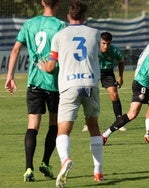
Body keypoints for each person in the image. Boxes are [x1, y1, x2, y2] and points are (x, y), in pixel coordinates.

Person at [41, 0, 103, 186]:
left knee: (63, 130)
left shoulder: (59, 36)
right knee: (93, 126)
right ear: (85, 17)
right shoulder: (95, 33)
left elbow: (51, 66)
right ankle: (98, 172)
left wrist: (44, 66)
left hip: (69, 86)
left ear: (68, 16)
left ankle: (65, 160)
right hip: (90, 84)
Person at [4, 0, 66, 182]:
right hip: (54, 83)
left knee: (32, 126)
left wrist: (10, 76)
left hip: (34, 83)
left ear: (42, 2)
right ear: (58, 3)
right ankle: (45, 162)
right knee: (54, 125)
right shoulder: (61, 26)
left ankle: (28, 168)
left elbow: (15, 50)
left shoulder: (29, 24)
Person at [82, 31, 126, 132]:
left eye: (108, 43)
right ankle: (87, 123)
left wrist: (120, 77)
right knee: (89, 96)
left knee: (114, 95)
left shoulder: (115, 50)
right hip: (93, 72)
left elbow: (121, 61)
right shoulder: (93, 49)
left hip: (107, 73)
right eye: (103, 43)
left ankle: (119, 122)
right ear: (99, 42)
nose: (106, 46)